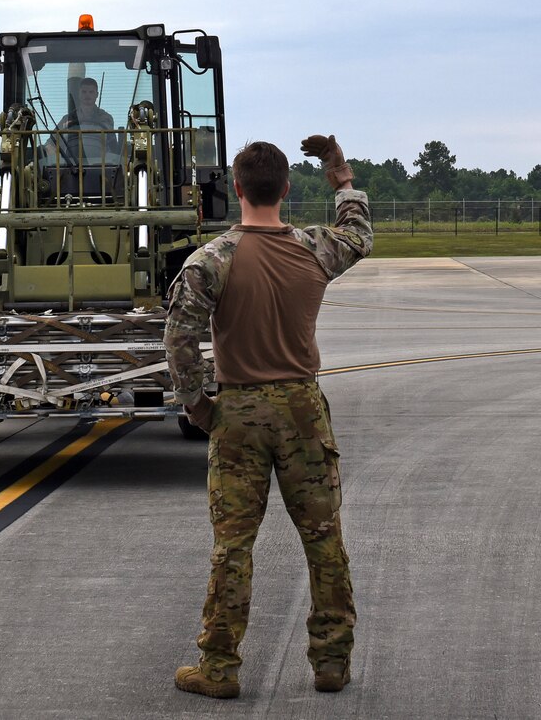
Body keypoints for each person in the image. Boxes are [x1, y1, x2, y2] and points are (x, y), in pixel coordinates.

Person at [163, 135, 373, 699]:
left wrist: (197, 404)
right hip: (303, 408)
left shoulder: (212, 260)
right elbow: (358, 233)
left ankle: (220, 666)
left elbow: (179, 336)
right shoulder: (313, 249)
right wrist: (340, 175)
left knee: (233, 544)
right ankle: (331, 662)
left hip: (240, 411)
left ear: (236, 190)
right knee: (323, 537)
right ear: (285, 189)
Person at [46, 77, 118, 163]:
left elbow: (111, 143)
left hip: (102, 168)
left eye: (91, 92)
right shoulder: (67, 119)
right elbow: (51, 143)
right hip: (70, 169)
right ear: (79, 94)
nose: (87, 95)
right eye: (84, 92)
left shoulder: (106, 118)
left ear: (97, 95)